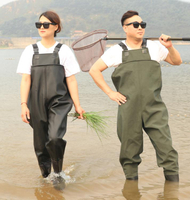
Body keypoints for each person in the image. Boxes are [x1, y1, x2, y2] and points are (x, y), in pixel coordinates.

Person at [89, 10, 181, 182]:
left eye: (143, 24)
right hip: (128, 107)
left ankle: (173, 189)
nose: (141, 28)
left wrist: (170, 47)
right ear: (125, 28)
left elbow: (176, 61)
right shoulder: (116, 51)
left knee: (166, 148)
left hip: (154, 107)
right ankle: (131, 187)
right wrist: (110, 93)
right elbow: (94, 70)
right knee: (129, 152)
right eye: (136, 25)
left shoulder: (155, 47)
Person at [17, 11, 85, 188]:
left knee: (54, 138)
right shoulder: (30, 50)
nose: (42, 28)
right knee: (40, 144)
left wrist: (77, 105)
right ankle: (46, 176)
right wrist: (24, 104)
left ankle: (58, 172)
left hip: (59, 101)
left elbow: (70, 79)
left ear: (56, 27)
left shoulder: (63, 50)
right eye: (39, 24)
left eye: (46, 24)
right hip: (36, 102)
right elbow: (26, 79)